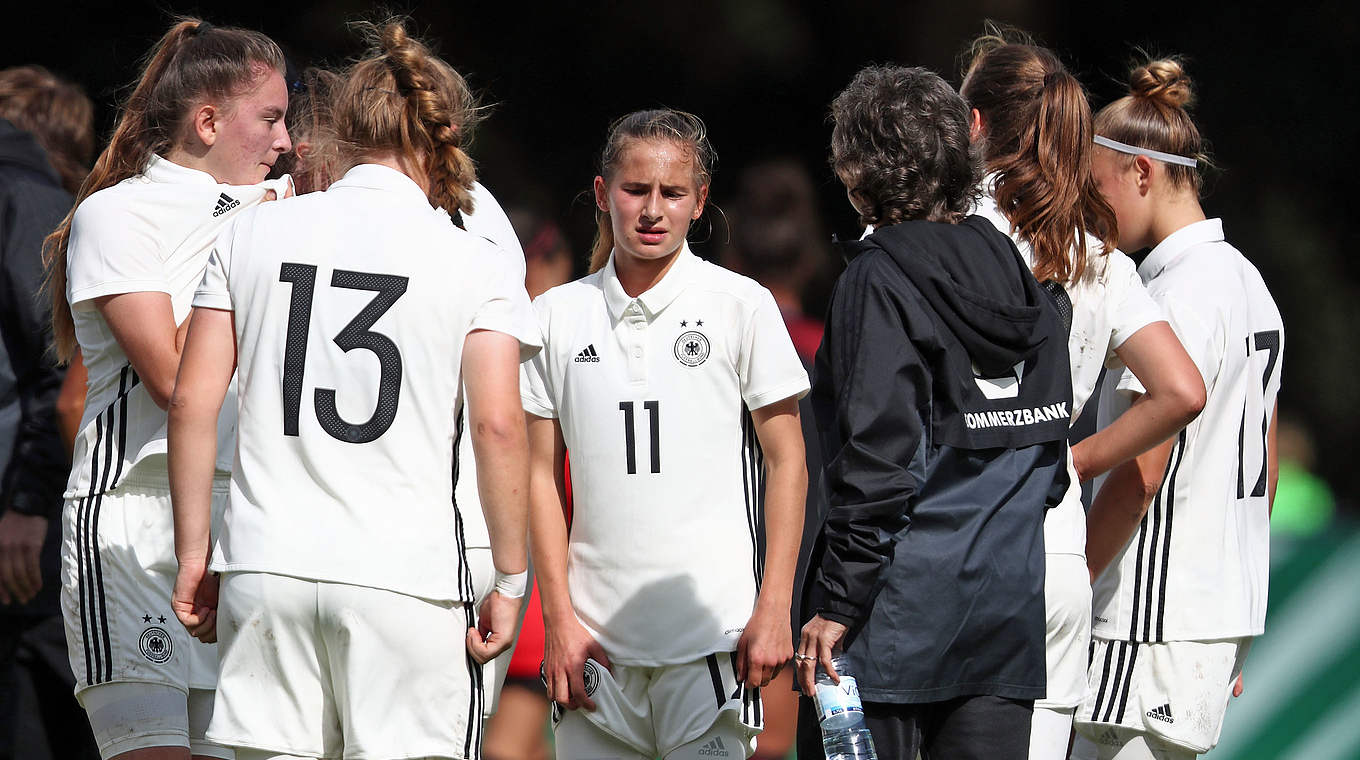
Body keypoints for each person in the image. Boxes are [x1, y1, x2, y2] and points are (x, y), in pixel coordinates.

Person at [166, 18, 539, 760]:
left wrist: (195, 555)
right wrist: (511, 573)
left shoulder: (250, 233)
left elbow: (191, 402)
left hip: (266, 565)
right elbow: (499, 427)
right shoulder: (475, 259)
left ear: (343, 125)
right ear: (443, 132)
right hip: (406, 579)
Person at [795, 64, 1073, 760]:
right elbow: (1051, 458)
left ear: (855, 169)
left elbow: (879, 460)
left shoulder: (877, 276)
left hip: (885, 629)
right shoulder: (1012, 266)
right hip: (1003, 619)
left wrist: (837, 604)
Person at [523, 108, 809, 760]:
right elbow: (538, 475)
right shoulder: (554, 317)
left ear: (700, 201)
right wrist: (558, 622)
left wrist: (774, 607)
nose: (653, 210)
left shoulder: (742, 306)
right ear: (602, 193)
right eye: (635, 190)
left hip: (711, 643)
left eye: (673, 193)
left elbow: (787, 462)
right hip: (592, 649)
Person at [41, 18, 292, 760]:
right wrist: (257, 237)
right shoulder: (118, 213)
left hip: (248, 530)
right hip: (132, 525)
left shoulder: (286, 212)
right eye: (271, 120)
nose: (285, 143)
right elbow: (178, 380)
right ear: (207, 121)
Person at [958, 34, 1206, 760]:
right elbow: (1181, 390)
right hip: (1056, 551)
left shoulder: (944, 236)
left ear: (974, 125)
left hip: (960, 542)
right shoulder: (1097, 253)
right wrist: (1072, 461)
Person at [1072, 58, 1284, 760]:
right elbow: (1267, 466)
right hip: (1210, 618)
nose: (1091, 212)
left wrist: (1070, 587)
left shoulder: (1177, 293)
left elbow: (1140, 474)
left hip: (1144, 621)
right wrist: (1233, 625)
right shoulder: (1248, 282)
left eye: (1097, 188)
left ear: (1142, 172)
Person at [0, 65, 98, 760]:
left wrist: (29, 501)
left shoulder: (21, 202)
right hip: (26, 520)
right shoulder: (38, 204)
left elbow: (50, 372)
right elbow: (55, 369)